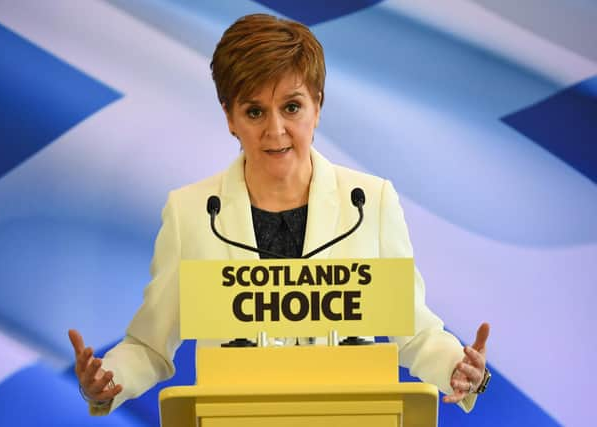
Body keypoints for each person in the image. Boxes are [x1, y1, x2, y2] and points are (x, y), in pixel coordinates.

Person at [68, 13, 490, 416]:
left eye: (292, 107)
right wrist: (109, 378)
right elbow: (151, 345)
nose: (275, 130)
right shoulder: (192, 213)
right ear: (229, 117)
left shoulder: (370, 202)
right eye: (254, 112)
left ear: (317, 107)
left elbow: (412, 330)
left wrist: (457, 367)